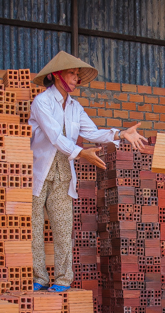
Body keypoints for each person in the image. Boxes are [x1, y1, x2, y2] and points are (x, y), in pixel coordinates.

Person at [29, 51, 147, 292]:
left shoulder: (75, 107)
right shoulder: (42, 102)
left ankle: (62, 279)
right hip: (39, 172)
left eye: (76, 74)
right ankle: (39, 277)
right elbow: (55, 137)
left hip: (64, 176)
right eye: (71, 73)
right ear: (56, 75)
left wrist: (119, 134)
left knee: (63, 229)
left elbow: (92, 132)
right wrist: (82, 152)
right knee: (34, 228)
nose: (76, 78)